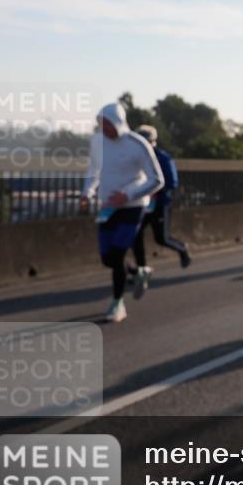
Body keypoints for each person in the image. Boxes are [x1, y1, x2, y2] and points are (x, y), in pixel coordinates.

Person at [79, 102, 164, 323]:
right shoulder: (98, 142)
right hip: (107, 208)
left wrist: (127, 196)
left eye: (107, 124)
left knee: (117, 256)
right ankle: (138, 272)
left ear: (118, 123)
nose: (103, 129)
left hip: (132, 208)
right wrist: (87, 193)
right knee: (107, 258)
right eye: (100, 124)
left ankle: (117, 304)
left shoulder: (137, 144)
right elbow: (93, 169)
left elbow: (158, 180)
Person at [126, 125, 191, 299]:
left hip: (160, 204)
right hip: (141, 205)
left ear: (153, 142)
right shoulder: (134, 159)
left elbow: (171, 182)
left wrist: (154, 190)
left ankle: (182, 249)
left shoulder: (163, 158)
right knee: (135, 235)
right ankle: (141, 271)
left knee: (161, 238)